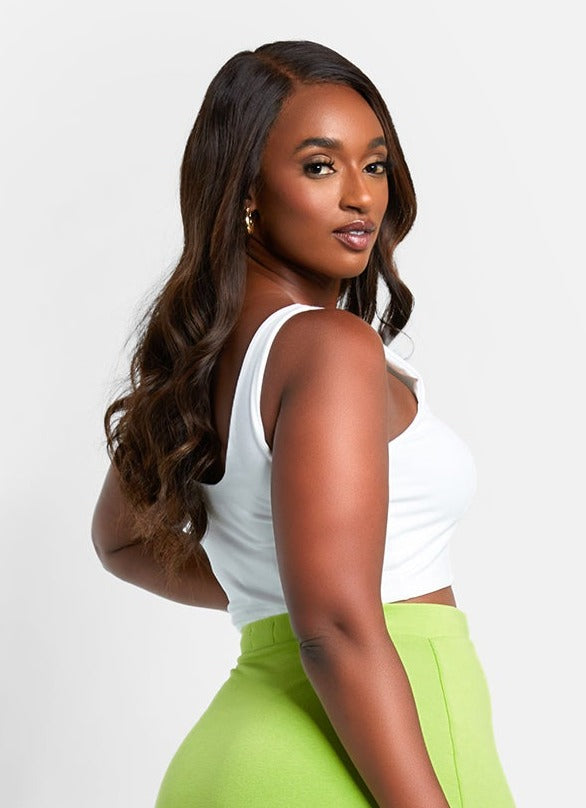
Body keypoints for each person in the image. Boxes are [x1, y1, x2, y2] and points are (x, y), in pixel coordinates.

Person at [91, 40, 516, 808]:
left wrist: (274, 593)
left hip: (236, 755)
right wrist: (312, 606)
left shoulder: (200, 356)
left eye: (375, 165)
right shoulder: (330, 347)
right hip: (370, 756)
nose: (361, 196)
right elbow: (339, 630)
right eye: (320, 166)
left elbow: (120, 542)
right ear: (247, 191)